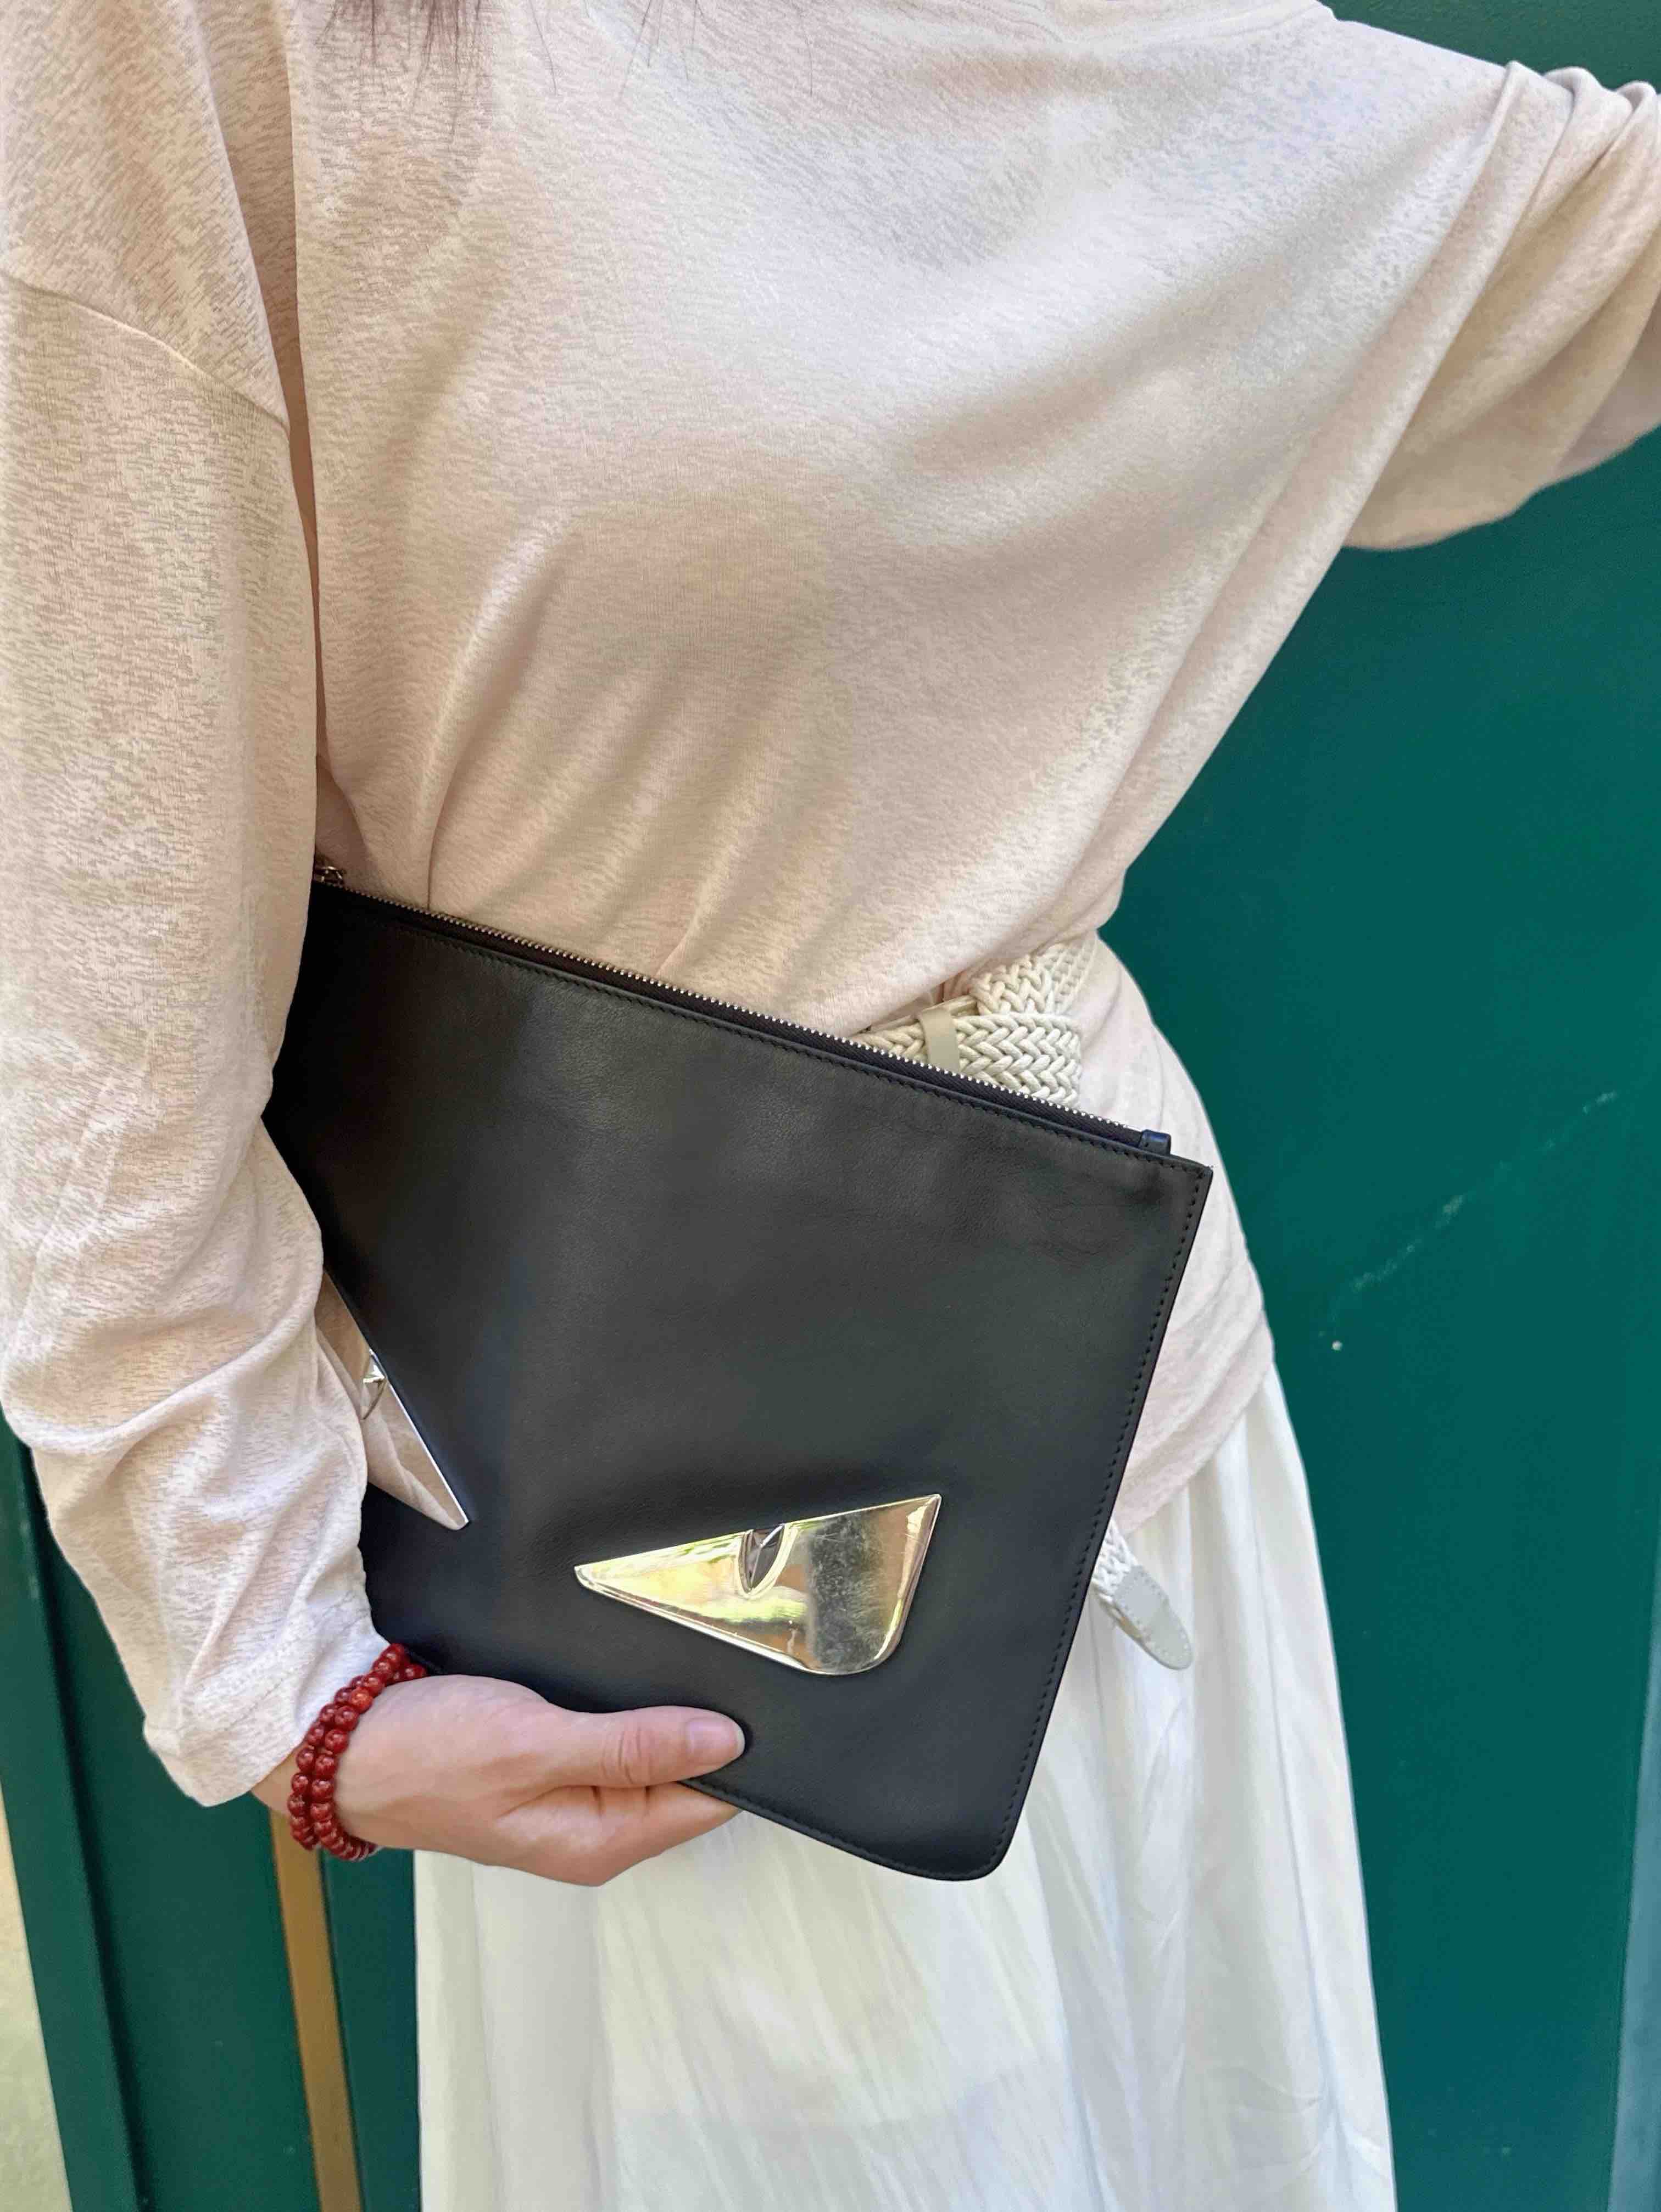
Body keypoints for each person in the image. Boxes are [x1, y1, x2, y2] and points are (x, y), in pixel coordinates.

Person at [2, 0, 1658, 2204]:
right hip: (682, 1572)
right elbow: (99, 918)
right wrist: (275, 1667)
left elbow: (1574, 239)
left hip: (1145, 1427)